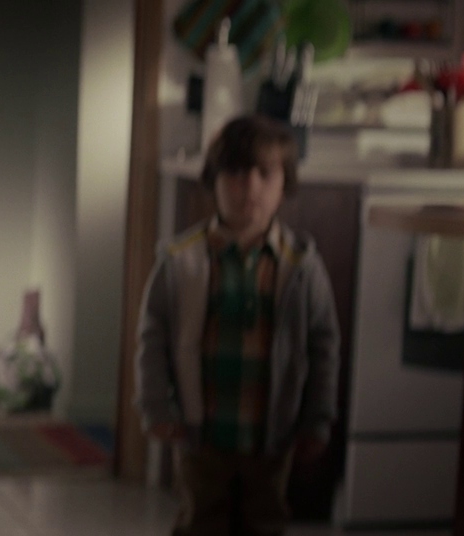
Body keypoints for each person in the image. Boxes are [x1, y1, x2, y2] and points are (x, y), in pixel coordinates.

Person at [135, 115, 340, 536]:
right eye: (235, 173)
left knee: (265, 521)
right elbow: (151, 338)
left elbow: (324, 346)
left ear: (285, 183)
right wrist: (155, 405)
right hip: (201, 434)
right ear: (213, 180)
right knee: (200, 521)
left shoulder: (302, 266)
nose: (250, 187)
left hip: (271, 436)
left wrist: (317, 420)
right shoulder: (181, 260)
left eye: (265, 173)